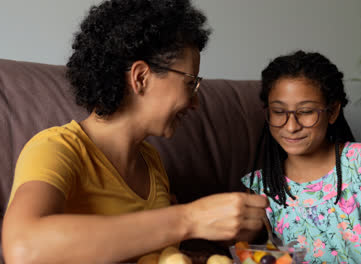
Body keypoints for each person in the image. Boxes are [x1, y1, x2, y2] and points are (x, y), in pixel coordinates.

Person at [2, 0, 267, 263]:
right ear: (141, 78)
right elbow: (24, 249)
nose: (195, 102)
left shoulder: (151, 164)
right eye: (190, 83)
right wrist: (190, 218)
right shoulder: (58, 148)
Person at [242, 50, 361, 263]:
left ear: (333, 111)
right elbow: (247, 250)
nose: (291, 126)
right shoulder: (263, 186)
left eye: (307, 111)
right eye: (279, 112)